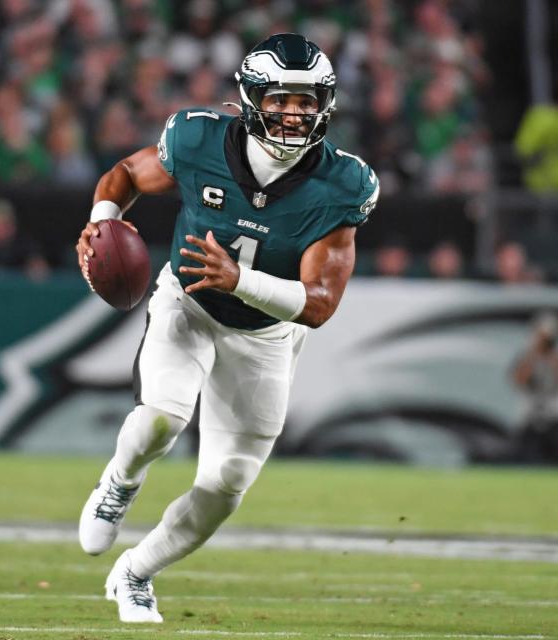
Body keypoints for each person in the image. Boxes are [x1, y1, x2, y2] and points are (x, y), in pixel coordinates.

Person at [75, 33, 378, 624]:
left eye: (308, 101)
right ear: (251, 97)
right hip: (189, 305)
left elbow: (319, 303)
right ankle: (120, 481)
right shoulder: (197, 138)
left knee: (226, 486)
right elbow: (125, 175)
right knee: (162, 417)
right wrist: (100, 222)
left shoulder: (344, 183)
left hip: (266, 335)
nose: (296, 114)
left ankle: (134, 573)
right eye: (283, 100)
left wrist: (239, 280)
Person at [510, 312, 558, 464]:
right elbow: (518, 382)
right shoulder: (526, 358)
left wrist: (554, 358)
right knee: (524, 462)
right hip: (531, 416)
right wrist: (533, 354)